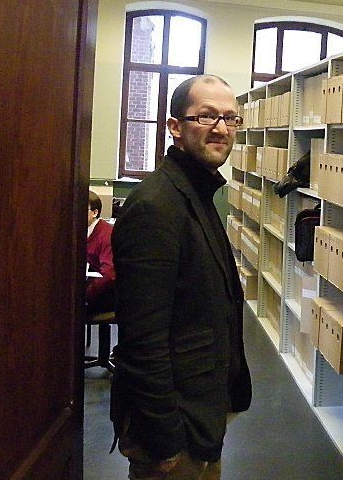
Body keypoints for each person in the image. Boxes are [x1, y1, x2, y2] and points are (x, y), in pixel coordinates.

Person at [110, 74, 252, 480]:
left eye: (230, 118)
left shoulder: (196, 192)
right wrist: (165, 438)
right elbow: (143, 337)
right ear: (176, 127)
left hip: (202, 416)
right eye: (206, 116)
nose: (220, 128)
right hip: (175, 429)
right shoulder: (157, 206)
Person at [85, 190, 116, 315]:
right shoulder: (86, 230)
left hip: (111, 292)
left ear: (95, 212)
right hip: (98, 285)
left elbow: (109, 274)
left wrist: (86, 293)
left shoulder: (106, 235)